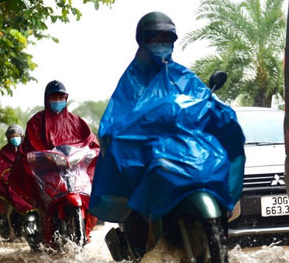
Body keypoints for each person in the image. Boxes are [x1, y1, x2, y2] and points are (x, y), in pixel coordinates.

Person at [89, 12, 245, 247]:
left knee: (216, 160)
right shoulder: (132, 80)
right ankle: (147, 237)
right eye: (154, 38)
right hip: (149, 152)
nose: (161, 44)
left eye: (166, 38)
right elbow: (116, 116)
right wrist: (112, 135)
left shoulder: (183, 76)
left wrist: (219, 114)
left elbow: (204, 101)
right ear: (143, 40)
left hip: (186, 148)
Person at [9, 80, 99, 246]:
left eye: (61, 97)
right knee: (43, 206)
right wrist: (35, 157)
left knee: (92, 199)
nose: (57, 101)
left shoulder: (76, 122)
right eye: (54, 97)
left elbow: (90, 140)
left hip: (74, 172)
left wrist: (93, 150)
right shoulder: (36, 122)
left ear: (66, 99)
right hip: (48, 175)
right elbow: (29, 148)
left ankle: (86, 232)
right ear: (47, 98)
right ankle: (45, 236)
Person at [0, 124, 32, 240]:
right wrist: (5, 180)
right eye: (12, 136)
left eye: (16, 135)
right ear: (8, 138)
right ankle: (13, 233)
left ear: (22, 136)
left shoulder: (29, 149)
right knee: (10, 209)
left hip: (28, 187)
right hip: (10, 188)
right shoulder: (3, 153)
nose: (14, 138)